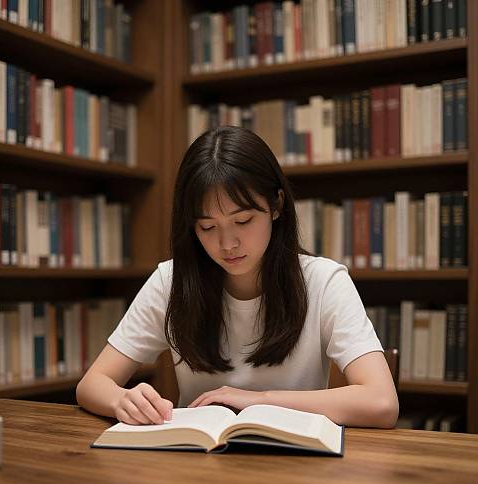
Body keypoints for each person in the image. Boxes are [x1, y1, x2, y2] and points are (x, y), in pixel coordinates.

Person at [76, 126, 399, 429]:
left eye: (243, 221)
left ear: (276, 206)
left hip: (297, 468)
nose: (227, 244)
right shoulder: (171, 282)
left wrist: (260, 402)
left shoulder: (323, 282)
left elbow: (381, 402)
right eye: (207, 227)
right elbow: (92, 384)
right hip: (197, 461)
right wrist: (123, 400)